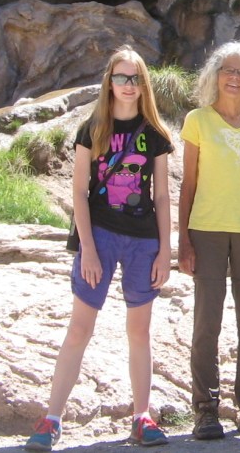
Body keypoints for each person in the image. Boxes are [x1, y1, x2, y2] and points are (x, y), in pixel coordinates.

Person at [25, 46, 174, 451]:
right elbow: (79, 191)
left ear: (144, 84)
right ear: (109, 82)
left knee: (139, 331)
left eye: (135, 78)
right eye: (121, 77)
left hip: (143, 240)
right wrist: (87, 248)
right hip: (101, 236)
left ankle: (141, 417)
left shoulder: (155, 135)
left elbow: (162, 196)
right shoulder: (92, 129)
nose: (128, 85)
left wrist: (166, 251)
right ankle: (51, 419)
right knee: (79, 328)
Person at [178, 41, 240, 440]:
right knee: (207, 323)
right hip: (206, 230)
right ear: (215, 75)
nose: (234, 78)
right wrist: (183, 241)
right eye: (228, 70)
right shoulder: (198, 120)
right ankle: (205, 410)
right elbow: (188, 183)